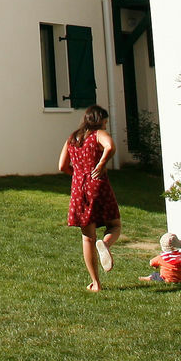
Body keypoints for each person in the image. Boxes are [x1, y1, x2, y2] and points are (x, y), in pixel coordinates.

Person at [59, 104, 121, 291]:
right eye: (105, 122)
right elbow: (110, 147)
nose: (105, 125)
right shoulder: (98, 134)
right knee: (114, 225)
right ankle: (106, 243)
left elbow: (62, 166)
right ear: (99, 120)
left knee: (87, 238)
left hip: (79, 188)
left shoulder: (72, 138)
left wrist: (79, 175)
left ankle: (96, 283)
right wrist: (101, 164)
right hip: (98, 184)